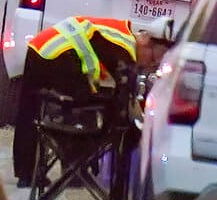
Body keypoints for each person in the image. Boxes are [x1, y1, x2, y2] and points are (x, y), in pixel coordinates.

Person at [12, 16, 138, 186]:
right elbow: (122, 83)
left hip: (41, 46)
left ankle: (26, 173)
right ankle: (76, 172)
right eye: (153, 58)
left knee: (29, 109)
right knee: (82, 107)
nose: (150, 63)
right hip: (60, 53)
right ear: (148, 43)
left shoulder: (115, 32)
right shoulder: (126, 44)